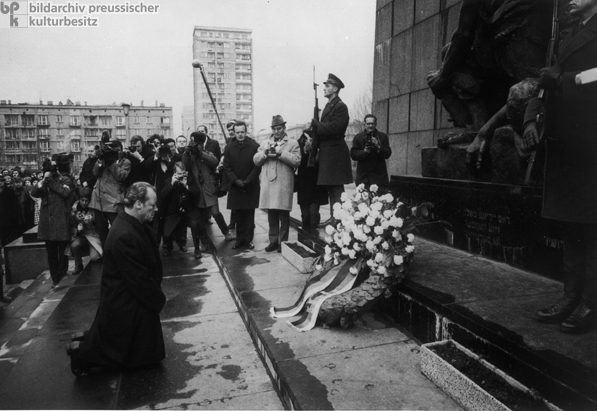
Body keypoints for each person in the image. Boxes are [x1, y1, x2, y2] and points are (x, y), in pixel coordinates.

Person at [522, 0, 597, 334]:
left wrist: (567, 78)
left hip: (591, 143)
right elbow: (543, 82)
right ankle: (570, 297)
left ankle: (591, 304)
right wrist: (529, 121)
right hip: (565, 143)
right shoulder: (566, 34)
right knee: (571, 227)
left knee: (592, 228)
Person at [66, 182, 165, 376]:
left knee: (145, 355)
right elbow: (138, 278)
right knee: (126, 354)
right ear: (137, 204)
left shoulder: (131, 224)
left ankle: (87, 340)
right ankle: (81, 354)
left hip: (127, 296)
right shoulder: (124, 234)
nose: (156, 209)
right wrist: (158, 299)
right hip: (126, 301)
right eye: (152, 205)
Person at [310, 73, 353, 224]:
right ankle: (334, 217)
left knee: (336, 188)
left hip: (335, 151)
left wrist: (317, 124)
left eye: (327, 86)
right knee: (330, 187)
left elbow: (336, 127)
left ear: (335, 88)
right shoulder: (329, 106)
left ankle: (339, 218)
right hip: (329, 151)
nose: (324, 89)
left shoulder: (340, 106)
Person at [254, 115, 300, 252]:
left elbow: (297, 161)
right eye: (274, 129)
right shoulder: (265, 143)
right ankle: (273, 241)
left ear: (284, 128)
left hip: (284, 184)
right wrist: (265, 153)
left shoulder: (293, 143)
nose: (277, 131)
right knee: (272, 214)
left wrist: (282, 152)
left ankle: (283, 243)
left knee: (284, 214)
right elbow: (256, 161)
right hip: (269, 184)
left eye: (279, 128)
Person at [30, 155, 76, 288]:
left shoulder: (65, 179)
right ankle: (55, 279)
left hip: (61, 221)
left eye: (55, 167)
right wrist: (44, 180)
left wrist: (51, 182)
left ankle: (61, 278)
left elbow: (65, 193)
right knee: (51, 253)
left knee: (62, 253)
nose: (53, 169)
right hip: (47, 224)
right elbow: (34, 192)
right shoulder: (44, 180)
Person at [223, 121, 260, 249]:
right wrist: (236, 180)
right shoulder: (229, 147)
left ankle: (248, 240)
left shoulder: (255, 146)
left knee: (250, 215)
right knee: (238, 214)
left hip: (251, 186)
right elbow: (227, 167)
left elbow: (257, 166)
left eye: (242, 132)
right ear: (234, 132)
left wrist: (249, 180)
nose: (240, 135)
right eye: (237, 132)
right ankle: (239, 240)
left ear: (246, 131)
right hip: (236, 186)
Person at [89, 138, 132, 248]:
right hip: (99, 202)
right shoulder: (103, 159)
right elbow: (95, 173)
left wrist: (111, 162)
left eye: (116, 150)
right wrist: (100, 160)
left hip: (114, 202)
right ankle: (106, 257)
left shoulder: (125, 162)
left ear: (120, 150)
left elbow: (121, 176)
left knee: (117, 231)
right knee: (102, 233)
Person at [160, 162, 202, 258]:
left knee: (195, 225)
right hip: (174, 211)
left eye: (183, 173)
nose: (181, 176)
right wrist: (171, 184)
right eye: (179, 174)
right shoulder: (168, 181)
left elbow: (197, 193)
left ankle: (197, 250)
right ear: (174, 173)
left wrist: (186, 186)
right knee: (167, 234)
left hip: (188, 210)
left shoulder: (190, 180)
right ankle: (168, 247)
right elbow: (162, 195)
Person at [296, 129, 329, 231]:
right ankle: (306, 236)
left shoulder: (320, 142)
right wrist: (305, 151)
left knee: (313, 213)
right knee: (305, 215)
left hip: (316, 185)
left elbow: (323, 160)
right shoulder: (299, 142)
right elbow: (297, 161)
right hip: (303, 185)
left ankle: (314, 234)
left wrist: (315, 151)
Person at [350, 114, 392, 190]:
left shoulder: (382, 137)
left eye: (372, 123)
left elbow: (388, 154)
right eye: (368, 124)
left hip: (379, 177)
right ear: (364, 124)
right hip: (363, 177)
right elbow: (353, 154)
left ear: (376, 124)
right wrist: (364, 152)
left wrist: (378, 146)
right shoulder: (358, 137)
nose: (370, 126)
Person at [67, 187, 102, 275]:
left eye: (86, 200)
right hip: (82, 236)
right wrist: (77, 229)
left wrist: (92, 220)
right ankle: (78, 265)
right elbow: (71, 225)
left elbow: (100, 224)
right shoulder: (74, 208)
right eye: (82, 200)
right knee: (74, 245)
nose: (84, 203)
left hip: (93, 235)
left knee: (95, 257)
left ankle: (94, 251)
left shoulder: (94, 207)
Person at [0, 175, 19, 246]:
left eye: (2, 181)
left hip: (8, 216)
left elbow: (14, 204)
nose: (0, 183)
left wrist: (13, 214)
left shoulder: (9, 191)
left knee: (9, 233)